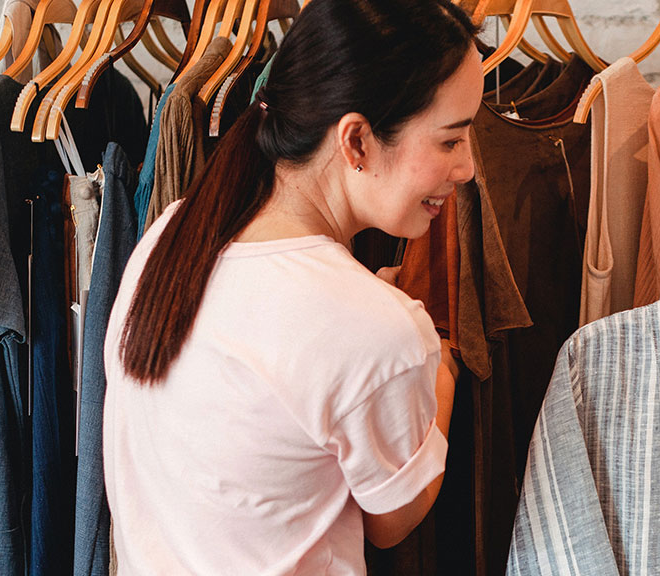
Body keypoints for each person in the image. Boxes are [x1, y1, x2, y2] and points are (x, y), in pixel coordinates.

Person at [101, 0, 480, 572]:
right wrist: (441, 370)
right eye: (451, 140)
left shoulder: (171, 234)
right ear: (355, 141)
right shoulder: (377, 329)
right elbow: (392, 520)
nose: (469, 167)